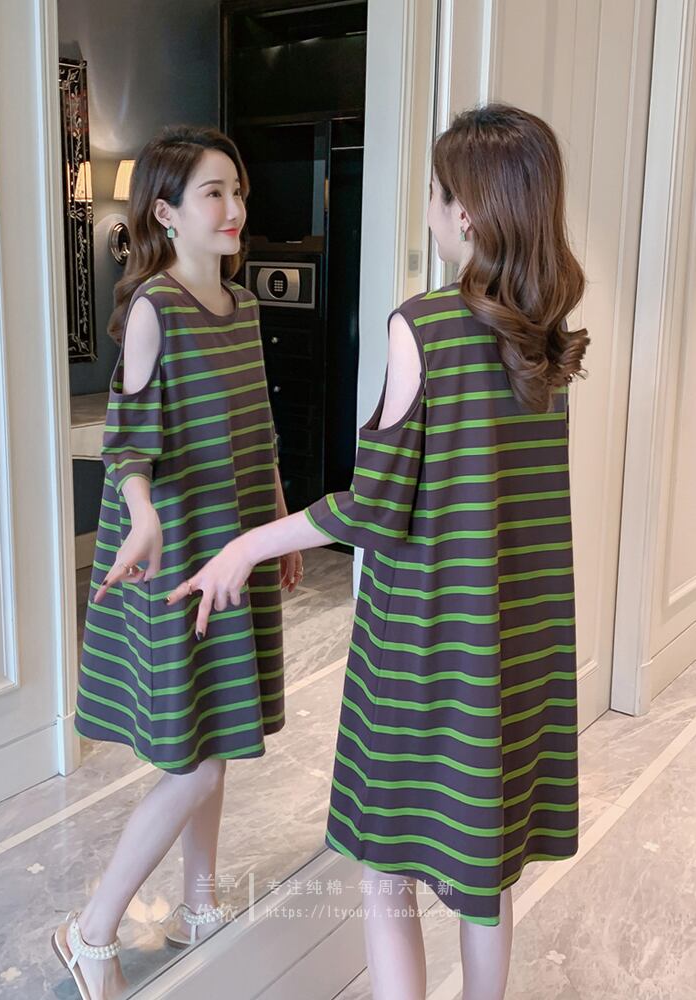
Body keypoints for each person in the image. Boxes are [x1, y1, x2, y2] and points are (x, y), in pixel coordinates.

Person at [165, 103, 590, 1000]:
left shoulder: (423, 326)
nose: (429, 211)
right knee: (485, 873)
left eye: (436, 194)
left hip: (425, 646)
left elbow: (373, 506)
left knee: (386, 869)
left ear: (465, 211)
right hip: (521, 640)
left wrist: (246, 545)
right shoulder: (544, 335)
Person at [52, 124, 303, 1000]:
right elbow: (127, 437)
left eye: (238, 191)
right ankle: (90, 932)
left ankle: (199, 904)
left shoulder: (244, 306)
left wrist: (277, 522)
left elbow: (258, 428)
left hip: (235, 545)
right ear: (166, 212)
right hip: (177, 554)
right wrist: (142, 513)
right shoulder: (155, 309)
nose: (235, 209)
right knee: (194, 757)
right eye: (214, 193)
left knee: (218, 733)